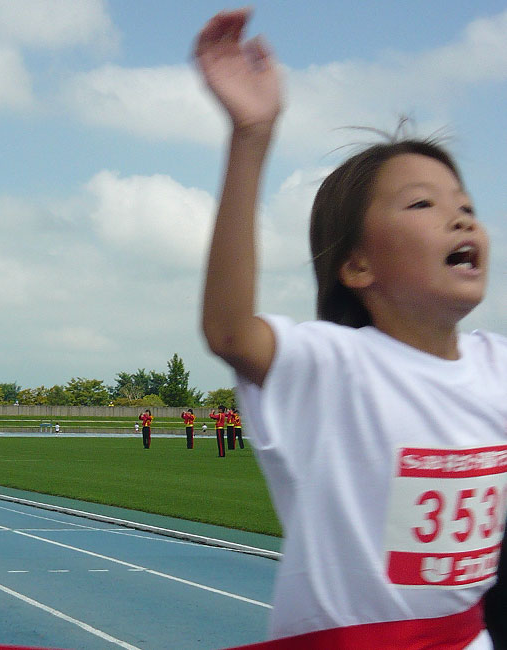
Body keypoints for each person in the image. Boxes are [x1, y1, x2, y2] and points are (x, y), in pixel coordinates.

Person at [195, 8, 505, 646]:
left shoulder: (498, 365)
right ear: (356, 264)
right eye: (423, 204)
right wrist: (251, 136)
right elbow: (230, 331)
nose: (460, 219)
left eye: (467, 206)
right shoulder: (334, 367)